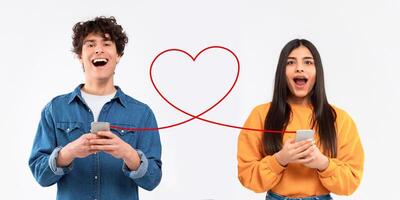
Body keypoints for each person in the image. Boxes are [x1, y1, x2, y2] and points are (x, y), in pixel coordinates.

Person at [29, 16, 162, 200]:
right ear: (79, 56)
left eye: (106, 43)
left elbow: (153, 180)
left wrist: (128, 154)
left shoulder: (142, 114)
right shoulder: (55, 109)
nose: (99, 49)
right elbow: (40, 175)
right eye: (90, 44)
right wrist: (68, 153)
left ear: (118, 55)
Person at [237, 39, 364, 200]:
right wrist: (280, 159)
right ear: (281, 71)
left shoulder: (340, 119)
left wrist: (323, 163)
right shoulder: (260, 115)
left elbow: (352, 180)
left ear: (318, 71)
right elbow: (247, 175)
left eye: (308, 62)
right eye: (290, 62)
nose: (299, 68)